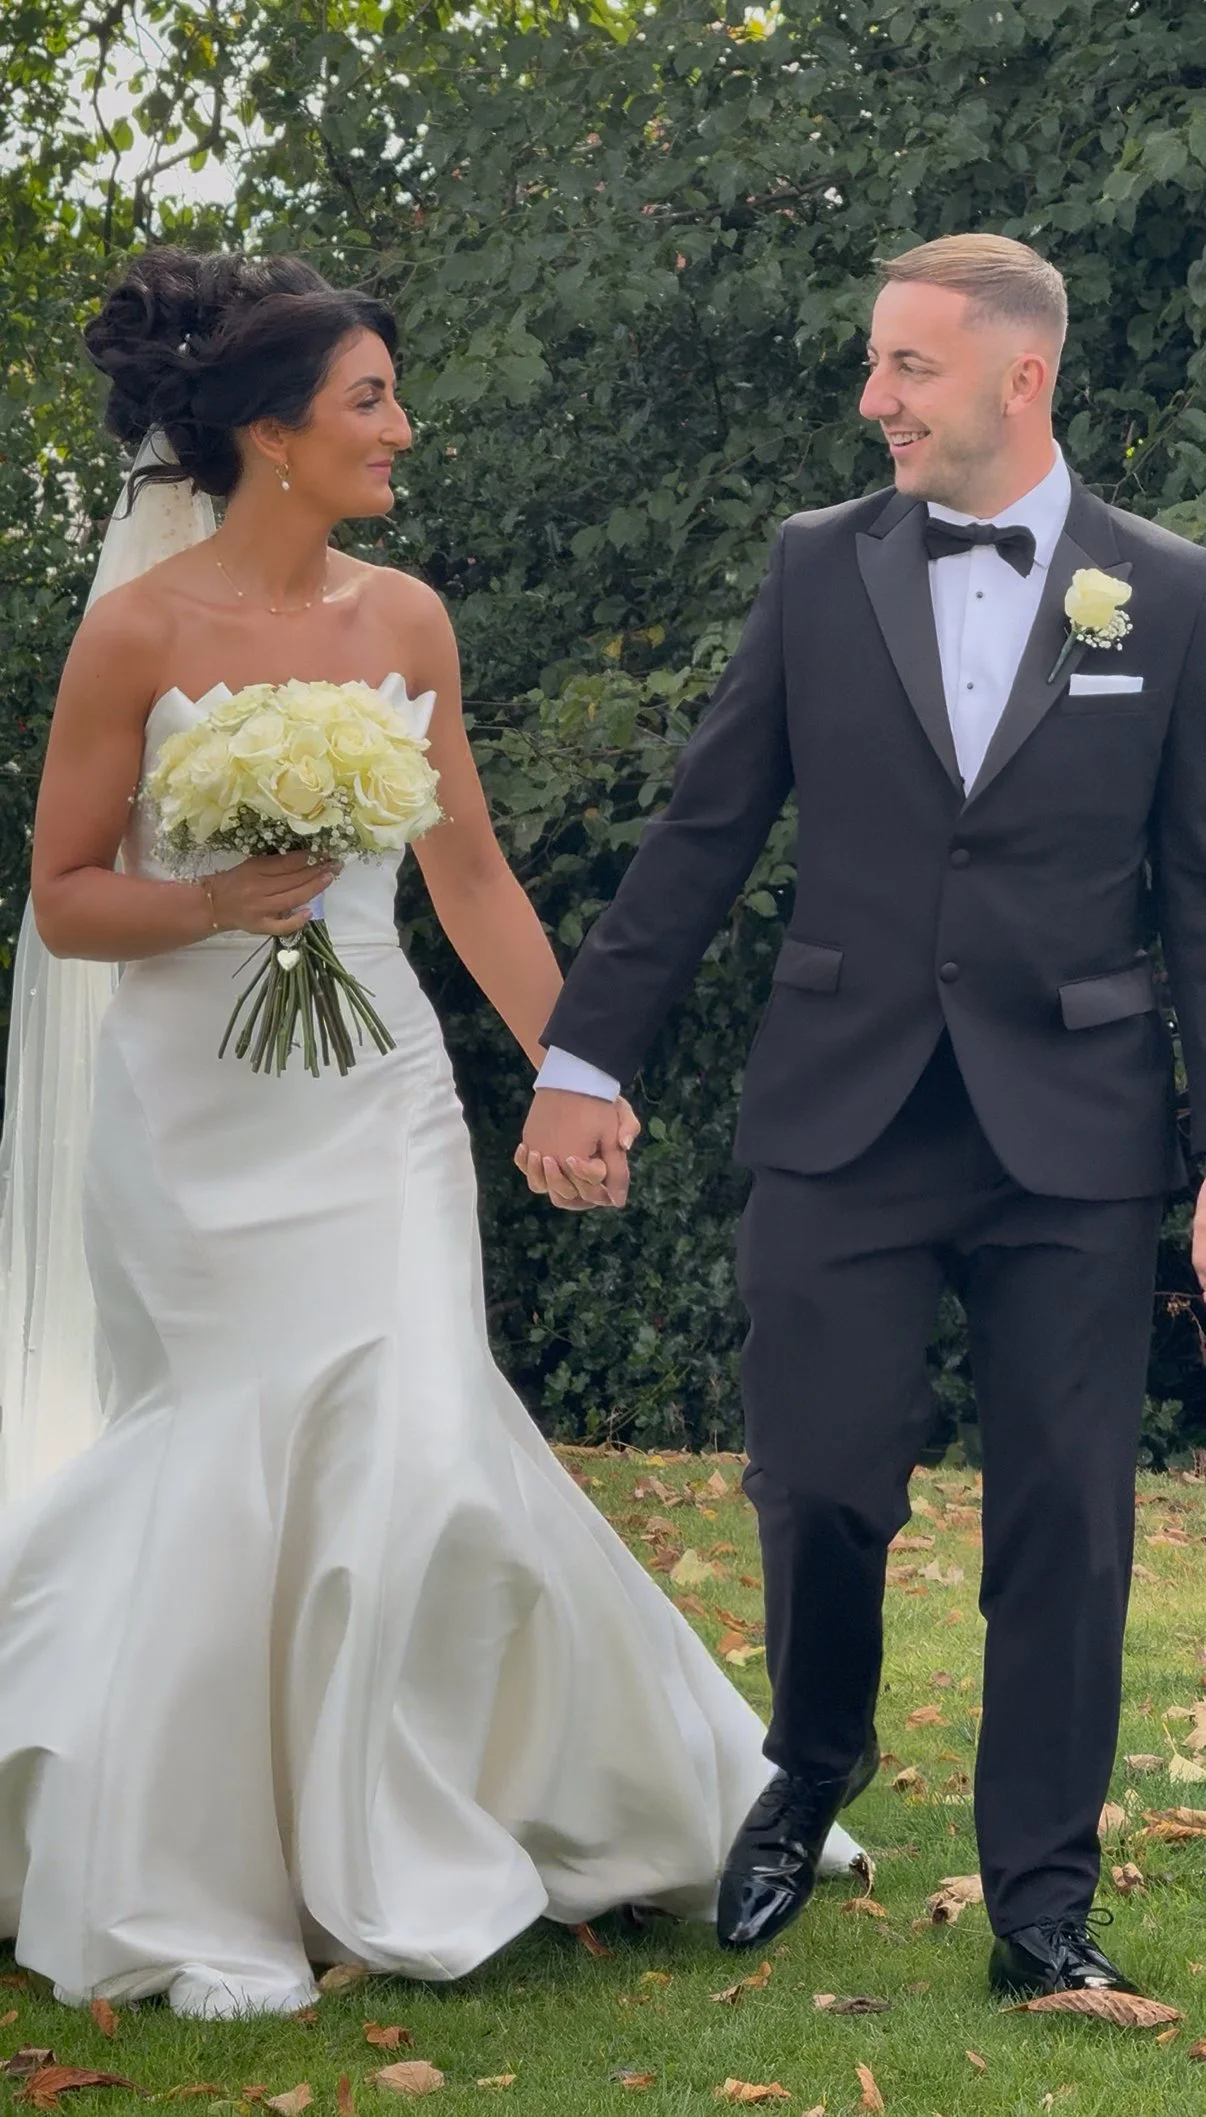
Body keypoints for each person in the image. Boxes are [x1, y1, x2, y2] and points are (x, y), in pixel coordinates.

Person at [0, 247, 866, 2019]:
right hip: (189, 1110)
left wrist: (576, 1070)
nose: (403, 427)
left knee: (421, 1441)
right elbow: (68, 901)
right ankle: (193, 1866)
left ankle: (473, 1815)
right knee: (227, 1457)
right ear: (271, 433)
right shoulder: (139, 633)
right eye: (371, 399)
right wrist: (215, 899)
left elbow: (465, 874)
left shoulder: (405, 619)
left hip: (375, 1090)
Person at [518, 232, 1206, 1998]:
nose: (871, 397)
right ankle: (812, 1760)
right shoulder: (816, 565)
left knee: (1065, 1519)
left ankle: (1039, 1903)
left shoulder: (1168, 592)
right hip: (846, 1110)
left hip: (1074, 1129)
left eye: (907, 365)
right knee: (818, 1480)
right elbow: (706, 824)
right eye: (874, 362)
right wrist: (586, 1059)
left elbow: (1199, 888)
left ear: (1017, 376)